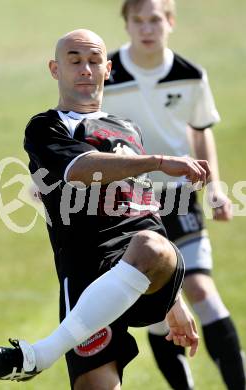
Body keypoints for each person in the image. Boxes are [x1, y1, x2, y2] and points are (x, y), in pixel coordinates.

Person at [0, 29, 209, 389]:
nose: (85, 69)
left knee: (151, 244)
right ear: (55, 69)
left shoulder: (129, 130)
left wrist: (174, 298)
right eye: (74, 61)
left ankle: (39, 355)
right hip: (87, 279)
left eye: (93, 61)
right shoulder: (45, 128)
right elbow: (83, 169)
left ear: (107, 69)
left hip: (146, 267)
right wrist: (160, 162)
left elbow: (146, 212)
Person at [102, 1, 246, 389]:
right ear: (127, 24)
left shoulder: (190, 75)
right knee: (158, 305)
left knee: (200, 288)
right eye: (138, 21)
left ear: (170, 23)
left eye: (154, 20)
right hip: (128, 200)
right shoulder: (105, 74)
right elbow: (84, 129)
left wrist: (214, 185)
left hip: (179, 194)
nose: (146, 29)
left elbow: (200, 130)